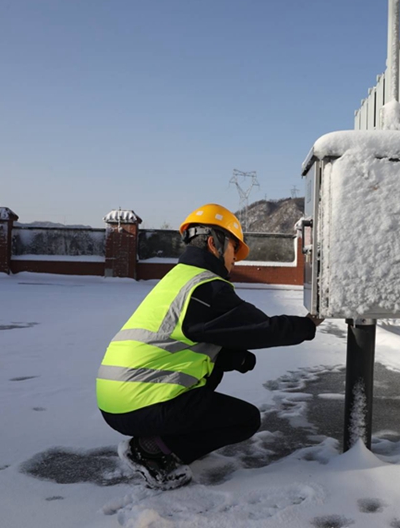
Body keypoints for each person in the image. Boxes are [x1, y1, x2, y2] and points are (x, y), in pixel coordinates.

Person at [96, 203, 322, 490]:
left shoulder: (178, 279)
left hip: (116, 398)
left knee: (212, 374)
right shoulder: (206, 287)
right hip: (139, 403)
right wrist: (308, 325)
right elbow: (261, 328)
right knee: (245, 420)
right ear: (215, 243)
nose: (235, 261)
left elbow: (187, 337)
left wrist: (235, 359)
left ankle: (158, 440)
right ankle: (152, 451)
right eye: (233, 251)